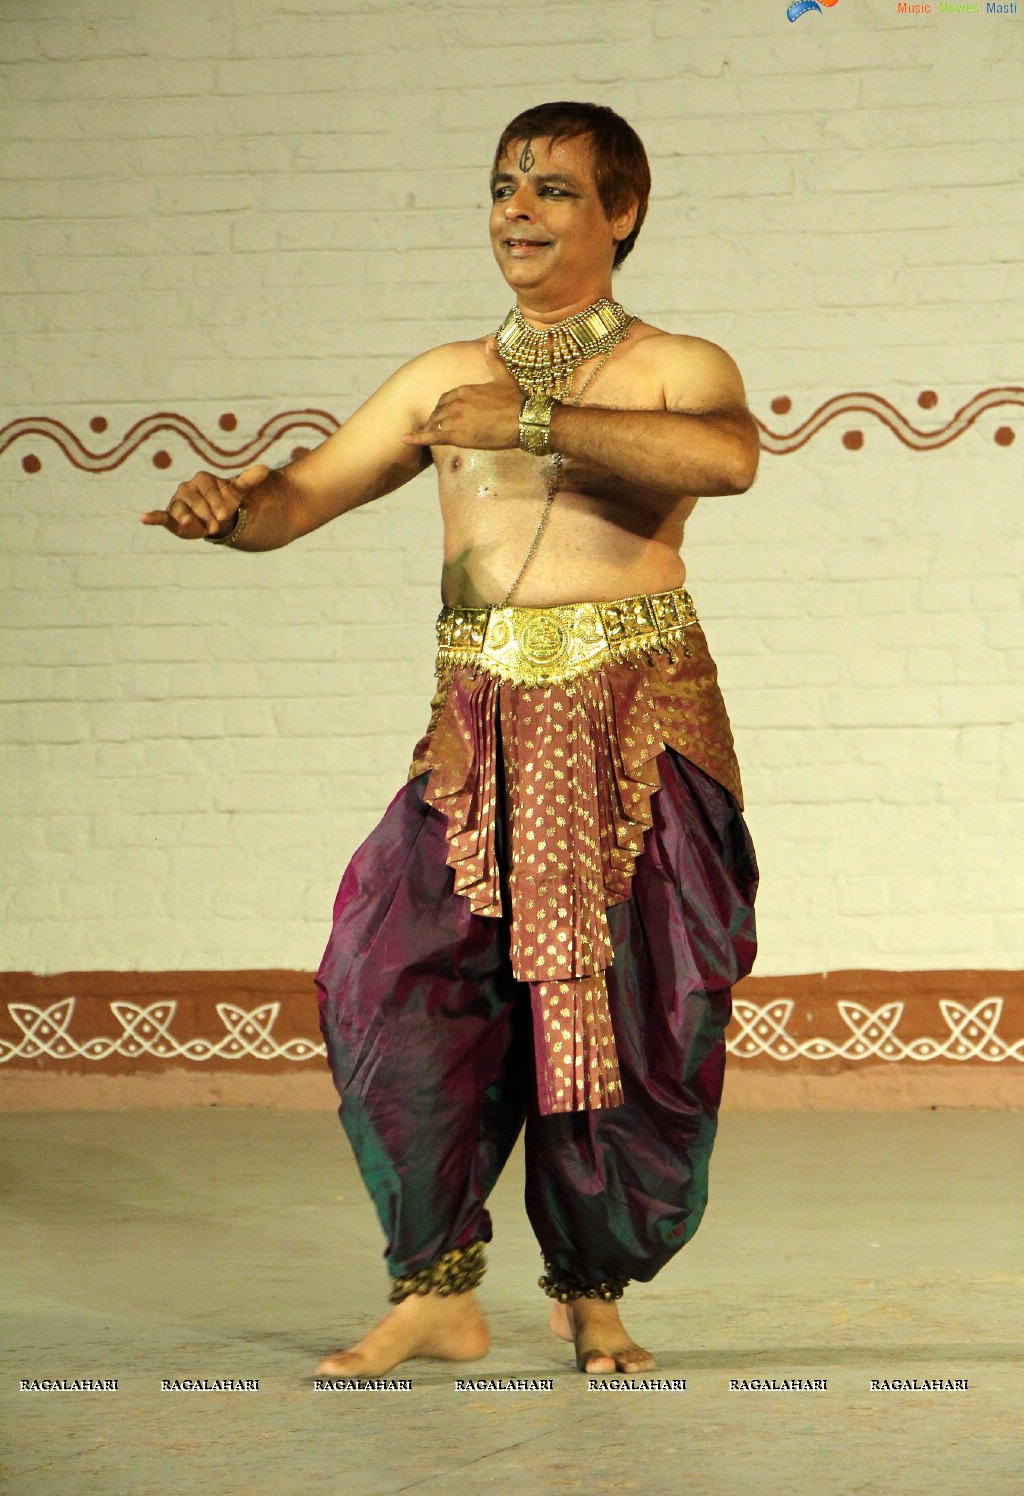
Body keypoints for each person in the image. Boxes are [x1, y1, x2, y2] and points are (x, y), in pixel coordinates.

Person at [141, 101, 759, 1377]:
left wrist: (526, 422)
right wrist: (227, 512)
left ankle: (595, 1295)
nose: (516, 213)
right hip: (477, 729)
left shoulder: (672, 363)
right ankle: (434, 1289)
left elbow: (725, 458)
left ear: (621, 211)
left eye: (550, 190)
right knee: (388, 983)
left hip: (637, 724)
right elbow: (297, 499)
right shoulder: (439, 377)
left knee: (642, 1011)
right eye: (500, 188)